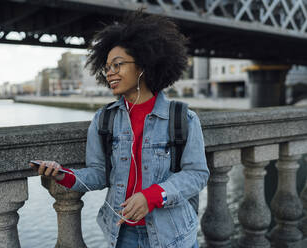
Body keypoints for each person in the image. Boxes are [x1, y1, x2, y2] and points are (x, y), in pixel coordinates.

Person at [30, 11, 209, 248]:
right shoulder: (103, 120)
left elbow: (197, 175)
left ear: (143, 65)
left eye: (118, 65)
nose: (110, 73)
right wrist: (62, 174)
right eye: (107, 67)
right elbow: (98, 174)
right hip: (123, 235)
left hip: (173, 236)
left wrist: (152, 196)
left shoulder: (182, 118)